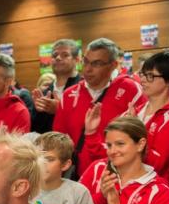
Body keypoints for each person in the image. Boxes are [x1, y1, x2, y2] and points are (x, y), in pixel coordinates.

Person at [53, 38, 147, 177]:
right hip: (83, 176)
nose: (88, 69)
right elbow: (58, 138)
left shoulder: (131, 90)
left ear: (113, 65)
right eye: (85, 62)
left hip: (121, 176)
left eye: (96, 63)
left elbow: (143, 141)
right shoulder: (69, 95)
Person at [134, 51, 169, 188]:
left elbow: (155, 165)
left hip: (155, 192)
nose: (143, 80)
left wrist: (132, 131)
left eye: (150, 76)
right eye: (143, 74)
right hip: (128, 187)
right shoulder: (136, 110)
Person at [32, 39, 82, 134]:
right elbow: (36, 131)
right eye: (54, 55)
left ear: (77, 60)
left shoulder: (85, 87)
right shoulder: (45, 92)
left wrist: (60, 111)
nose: (58, 58)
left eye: (65, 55)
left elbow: (87, 125)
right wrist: (39, 112)